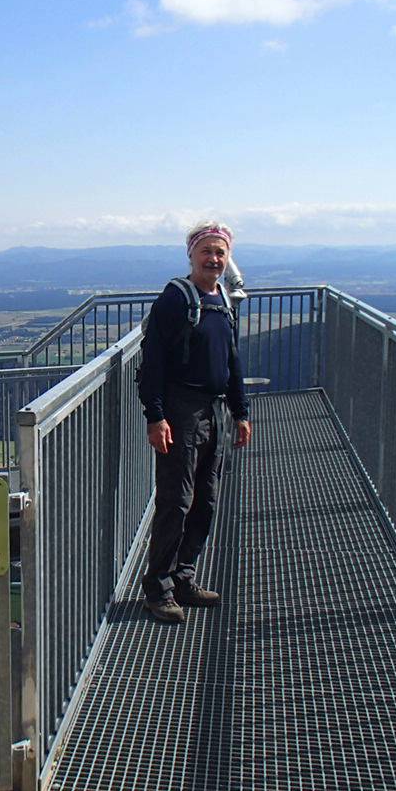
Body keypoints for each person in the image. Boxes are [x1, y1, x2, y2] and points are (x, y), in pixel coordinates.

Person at [137, 221, 252, 623]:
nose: (214, 259)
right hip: (181, 410)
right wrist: (157, 416)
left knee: (205, 499)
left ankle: (183, 578)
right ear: (191, 255)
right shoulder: (175, 299)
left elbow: (231, 359)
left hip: (214, 410)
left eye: (220, 253)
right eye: (207, 252)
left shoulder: (220, 297)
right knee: (176, 501)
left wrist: (240, 411)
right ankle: (159, 589)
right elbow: (152, 364)